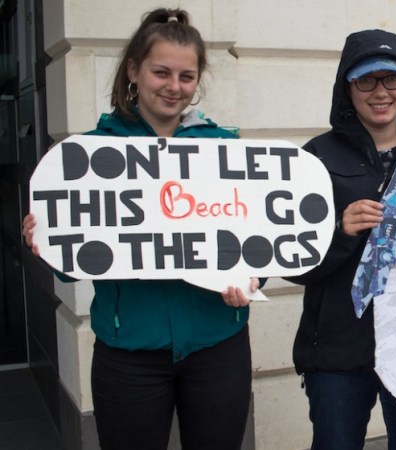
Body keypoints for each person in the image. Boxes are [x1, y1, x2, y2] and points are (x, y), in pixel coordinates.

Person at [22, 8, 258, 450]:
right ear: (134, 71)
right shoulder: (89, 156)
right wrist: (49, 242)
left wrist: (251, 276)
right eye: (161, 72)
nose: (174, 86)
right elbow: (70, 270)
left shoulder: (225, 149)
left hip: (218, 345)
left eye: (186, 76)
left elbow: (255, 237)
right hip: (129, 353)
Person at [286, 29, 396, 450]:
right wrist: (340, 231)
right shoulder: (315, 157)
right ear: (347, 88)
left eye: (391, 78)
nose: (380, 92)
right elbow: (292, 265)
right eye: (366, 80)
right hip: (338, 350)